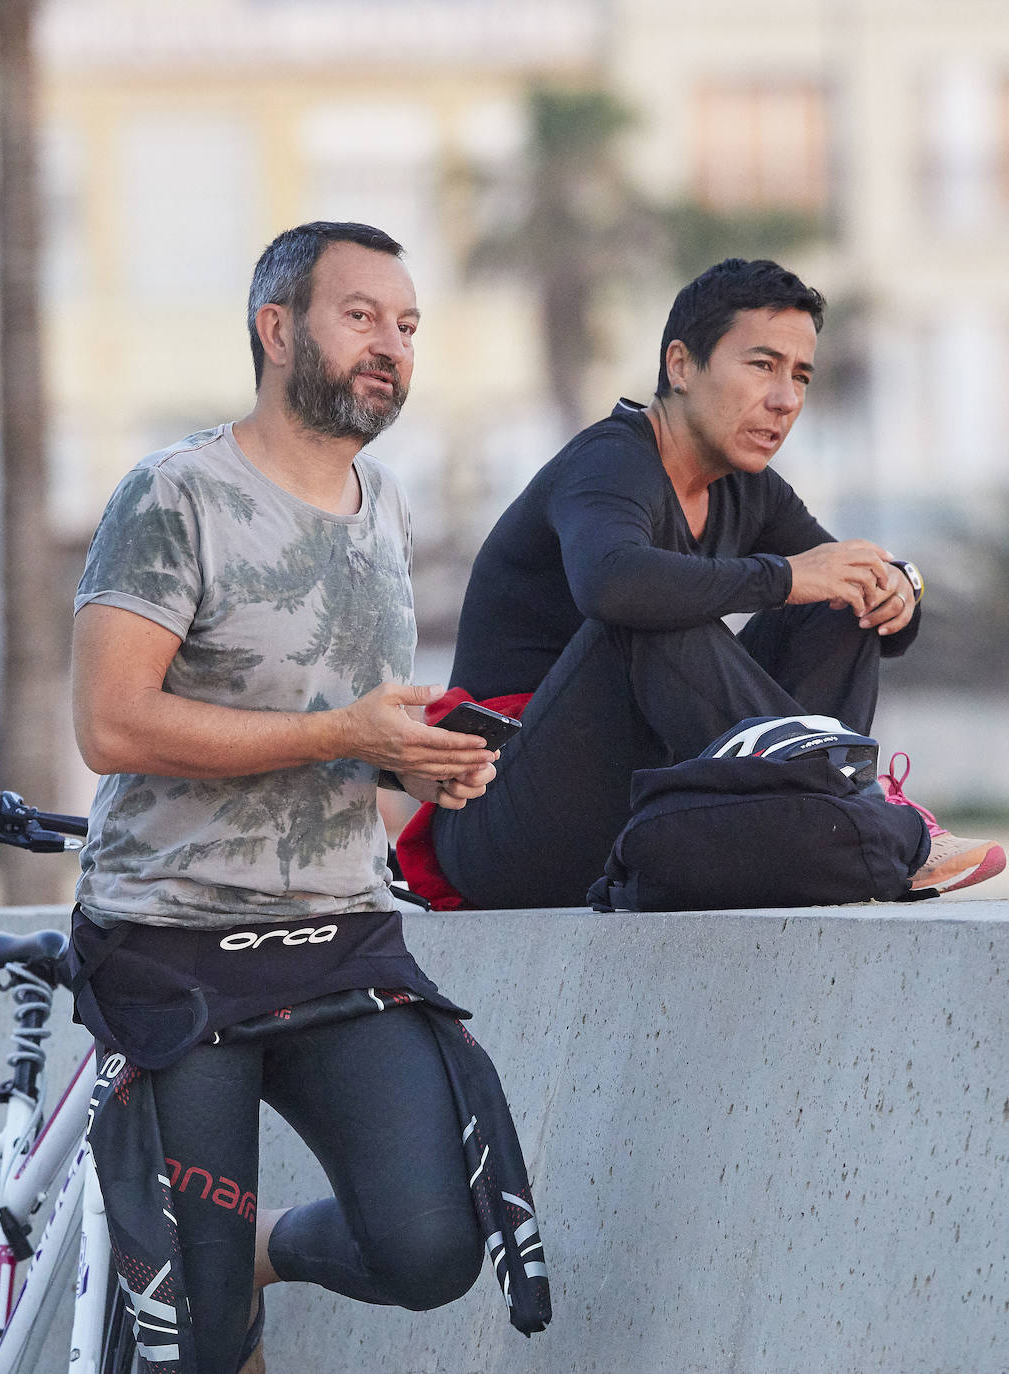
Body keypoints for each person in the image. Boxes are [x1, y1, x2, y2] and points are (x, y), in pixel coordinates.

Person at [69, 222, 549, 1374]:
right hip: (172, 944)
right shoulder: (174, 493)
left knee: (431, 1246)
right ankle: (218, 1275)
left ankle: (257, 1247)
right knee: (197, 1333)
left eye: (408, 324)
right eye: (362, 315)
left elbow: (343, 726)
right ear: (275, 328)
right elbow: (109, 724)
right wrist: (344, 733)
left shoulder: (380, 501)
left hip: (339, 939)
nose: (392, 345)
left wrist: (412, 763)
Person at [420, 257, 1004, 909]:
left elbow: (847, 589)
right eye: (761, 366)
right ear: (680, 365)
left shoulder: (748, 488)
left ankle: (829, 825)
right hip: (501, 822)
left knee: (836, 601)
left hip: (641, 805)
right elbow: (610, 586)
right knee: (645, 611)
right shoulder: (608, 464)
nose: (784, 399)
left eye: (799, 376)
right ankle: (859, 813)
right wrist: (783, 578)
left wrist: (896, 586)